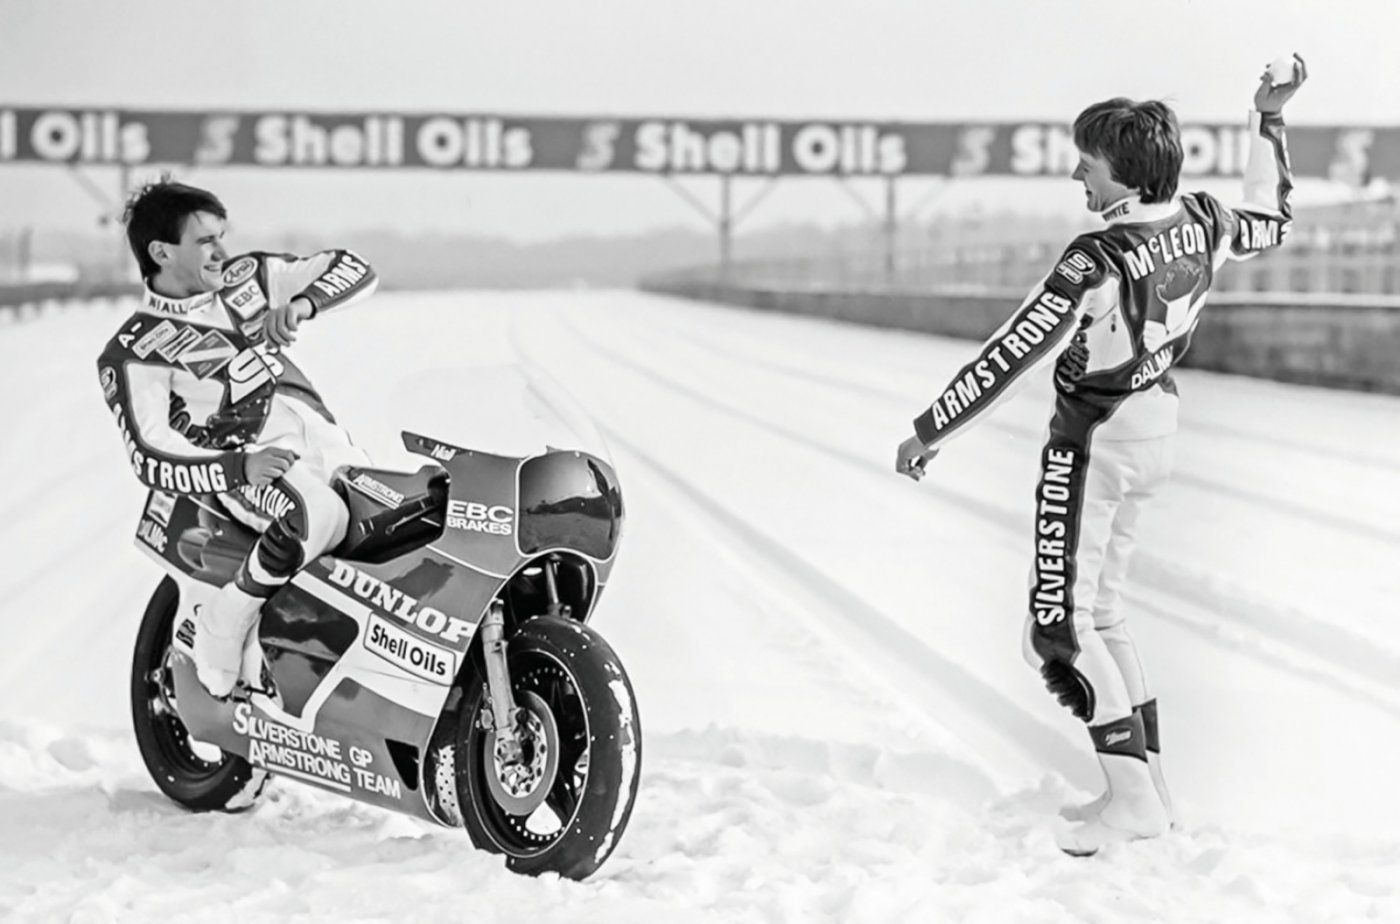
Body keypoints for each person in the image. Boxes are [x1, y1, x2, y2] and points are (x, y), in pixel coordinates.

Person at [894, 57, 1307, 855]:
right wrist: (1269, 120)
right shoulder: (1206, 219)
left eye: (1088, 162)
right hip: (1157, 427)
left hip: (1094, 442)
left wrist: (930, 430)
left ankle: (1135, 802)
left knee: (1055, 631)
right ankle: (1148, 794)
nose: (1078, 176)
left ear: (1123, 171)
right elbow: (1274, 217)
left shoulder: (1096, 257)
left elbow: (1011, 354)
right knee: (1105, 612)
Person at [97, 178, 379, 698]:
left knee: (391, 526)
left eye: (221, 237)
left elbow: (356, 268)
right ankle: (224, 621)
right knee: (320, 513)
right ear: (162, 252)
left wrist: (303, 305)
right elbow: (149, 453)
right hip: (248, 471)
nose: (221, 252)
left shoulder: (247, 279)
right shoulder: (134, 349)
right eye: (206, 241)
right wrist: (239, 468)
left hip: (331, 446)